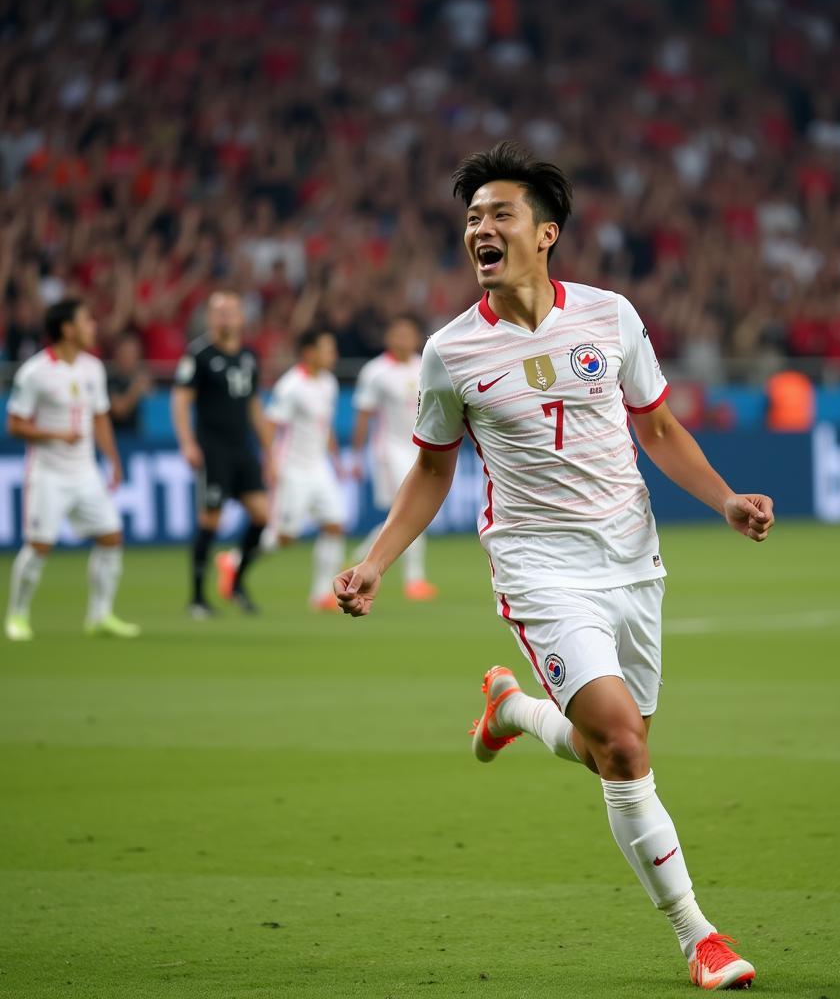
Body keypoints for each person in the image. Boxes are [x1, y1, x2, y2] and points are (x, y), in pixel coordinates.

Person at [333, 142, 775, 991]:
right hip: (538, 567)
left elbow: (658, 429)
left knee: (617, 742)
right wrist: (377, 560)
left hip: (633, 560)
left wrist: (722, 500)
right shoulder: (451, 352)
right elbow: (432, 468)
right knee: (620, 741)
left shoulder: (611, 317)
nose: (480, 229)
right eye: (471, 219)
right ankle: (699, 936)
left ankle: (515, 713)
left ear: (547, 234)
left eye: (499, 214)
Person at [5, 298, 140, 641]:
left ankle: (100, 615)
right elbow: (15, 424)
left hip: (85, 473)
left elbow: (100, 417)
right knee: (39, 546)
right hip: (48, 474)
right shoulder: (35, 373)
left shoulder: (93, 368)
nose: (93, 326)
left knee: (111, 537)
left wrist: (113, 459)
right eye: (86, 321)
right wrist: (53, 434)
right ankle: (17, 616)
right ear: (67, 329)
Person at [171, 290, 274, 618]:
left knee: (262, 515)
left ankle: (236, 581)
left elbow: (254, 405)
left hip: (242, 447)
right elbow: (181, 400)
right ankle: (197, 598)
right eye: (219, 312)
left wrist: (270, 448)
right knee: (210, 520)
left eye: (232, 311)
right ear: (210, 318)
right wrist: (188, 443)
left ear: (242, 317)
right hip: (212, 447)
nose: (226, 317)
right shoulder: (199, 355)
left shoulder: (248, 356)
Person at [350, 315, 437, 601]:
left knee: (400, 515)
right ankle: (415, 581)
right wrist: (356, 456)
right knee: (411, 510)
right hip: (389, 451)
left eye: (408, 334)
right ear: (388, 338)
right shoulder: (375, 372)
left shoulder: (423, 364)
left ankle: (362, 559)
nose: (403, 339)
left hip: (419, 448)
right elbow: (363, 415)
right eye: (397, 334)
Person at [263, 326, 346, 609]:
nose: (333, 354)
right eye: (327, 348)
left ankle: (322, 594)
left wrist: (335, 460)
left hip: (318, 467)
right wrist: (270, 464)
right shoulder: (291, 386)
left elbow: (325, 426)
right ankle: (236, 560)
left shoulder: (328, 383)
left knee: (335, 524)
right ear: (309, 352)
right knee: (285, 537)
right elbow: (270, 426)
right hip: (292, 468)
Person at [107, 333, 152, 436]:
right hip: (118, 438)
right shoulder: (111, 380)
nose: (129, 358)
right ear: (117, 355)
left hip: (138, 437)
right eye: (125, 353)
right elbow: (119, 410)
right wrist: (136, 388)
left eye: (133, 353)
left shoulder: (142, 377)